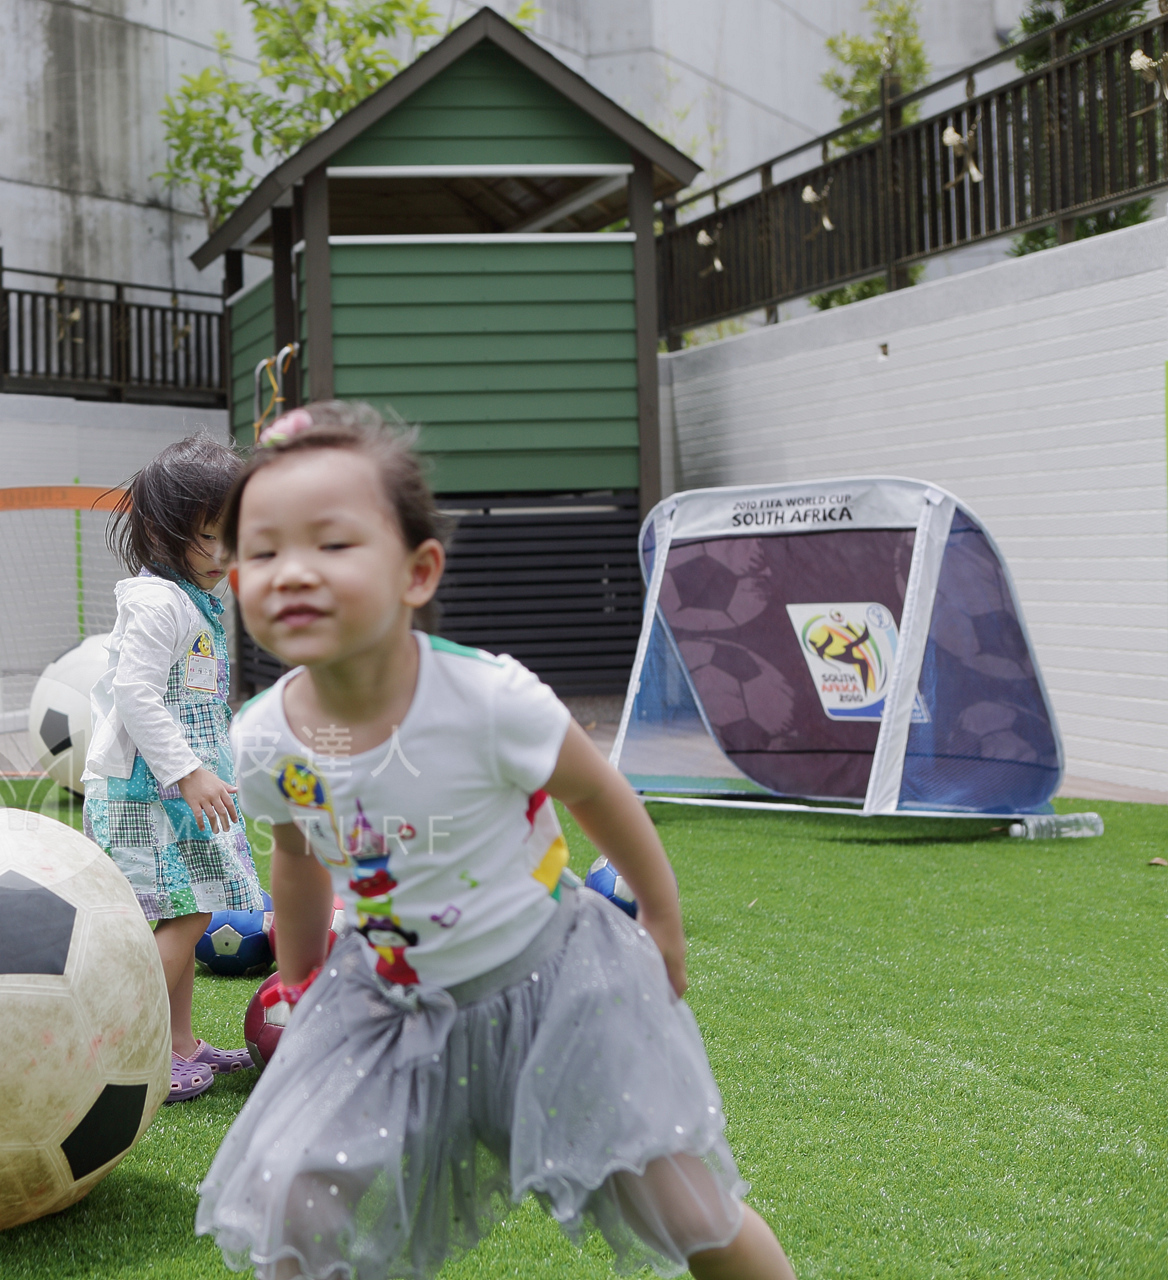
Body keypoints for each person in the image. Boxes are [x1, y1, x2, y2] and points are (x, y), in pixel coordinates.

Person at [196, 404, 797, 1280]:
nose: (293, 572)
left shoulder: (489, 703)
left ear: (417, 570)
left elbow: (598, 792)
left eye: (332, 544)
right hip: (384, 999)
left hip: (550, 983)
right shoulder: (263, 740)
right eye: (262, 550)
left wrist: (661, 917)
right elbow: (295, 856)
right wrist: (295, 983)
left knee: (678, 1202)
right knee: (295, 1189)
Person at [83, 435, 265, 1103]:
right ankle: (117, 1049)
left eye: (233, 538)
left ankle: (180, 1043)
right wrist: (188, 772)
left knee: (184, 911)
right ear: (163, 534)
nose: (224, 556)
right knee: (181, 920)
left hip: (182, 789)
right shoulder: (158, 603)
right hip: (147, 793)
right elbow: (136, 694)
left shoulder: (194, 599)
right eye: (209, 538)